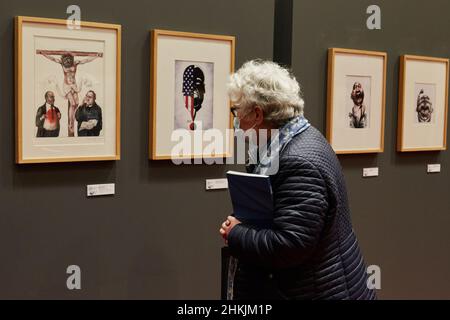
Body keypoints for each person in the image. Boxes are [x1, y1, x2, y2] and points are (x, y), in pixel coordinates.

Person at [219, 60, 376, 300]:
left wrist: (237, 233)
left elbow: (291, 244)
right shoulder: (298, 139)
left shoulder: (297, 161)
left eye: (237, 110)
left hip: (316, 290)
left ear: (258, 114)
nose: (236, 119)